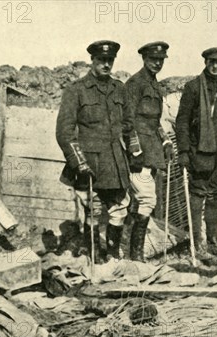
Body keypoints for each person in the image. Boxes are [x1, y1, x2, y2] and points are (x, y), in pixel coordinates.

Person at [56, 40, 133, 262]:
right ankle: (93, 256)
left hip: (115, 163)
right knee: (93, 211)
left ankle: (111, 256)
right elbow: (64, 131)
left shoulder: (119, 89)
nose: (106, 64)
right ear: (93, 60)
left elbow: (128, 125)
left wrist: (134, 153)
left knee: (119, 209)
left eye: (110, 60)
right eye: (102, 60)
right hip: (89, 163)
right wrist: (78, 162)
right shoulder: (76, 90)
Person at [175, 47, 217, 264]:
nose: (214, 66)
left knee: (215, 195)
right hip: (200, 150)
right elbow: (182, 121)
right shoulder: (193, 87)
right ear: (205, 62)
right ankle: (197, 243)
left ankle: (213, 241)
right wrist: (183, 151)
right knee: (198, 193)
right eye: (211, 61)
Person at [124, 41, 174, 261]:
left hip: (152, 149)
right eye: (153, 59)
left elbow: (155, 121)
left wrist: (166, 142)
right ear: (144, 59)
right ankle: (134, 255)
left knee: (142, 200)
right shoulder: (135, 84)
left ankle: (134, 253)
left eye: (160, 60)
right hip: (140, 152)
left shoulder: (155, 85)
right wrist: (135, 150)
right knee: (146, 200)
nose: (157, 63)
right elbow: (128, 121)